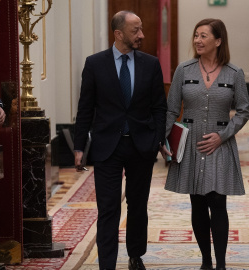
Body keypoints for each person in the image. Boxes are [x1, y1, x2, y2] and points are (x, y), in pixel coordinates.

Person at [73, 11, 167, 270]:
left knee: (138, 205)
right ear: (118, 34)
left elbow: (160, 106)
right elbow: (85, 108)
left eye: (141, 29)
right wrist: (79, 146)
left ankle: (136, 256)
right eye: (135, 30)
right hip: (107, 147)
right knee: (108, 208)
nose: (142, 35)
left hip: (141, 146)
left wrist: (157, 139)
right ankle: (107, 265)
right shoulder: (95, 64)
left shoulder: (150, 63)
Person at [160, 18, 249, 270]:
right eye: (196, 35)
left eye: (203, 36)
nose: (197, 40)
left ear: (218, 41)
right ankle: (206, 262)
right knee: (197, 202)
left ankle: (220, 264)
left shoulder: (235, 73)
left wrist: (223, 136)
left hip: (220, 144)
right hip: (190, 144)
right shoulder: (183, 70)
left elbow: (243, 111)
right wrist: (164, 140)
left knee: (217, 202)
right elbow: (171, 110)